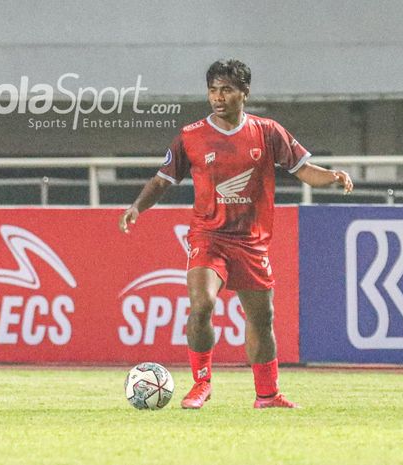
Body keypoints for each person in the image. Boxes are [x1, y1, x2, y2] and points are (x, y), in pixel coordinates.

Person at [119, 59, 353, 409]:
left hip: (251, 241)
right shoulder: (191, 135)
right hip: (208, 236)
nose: (218, 97)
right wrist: (138, 206)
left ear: (244, 92)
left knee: (262, 318)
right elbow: (162, 179)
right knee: (202, 304)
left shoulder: (268, 132)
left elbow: (303, 170)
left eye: (226, 89)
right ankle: (202, 383)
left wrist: (331, 176)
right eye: (213, 90)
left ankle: (267, 395)